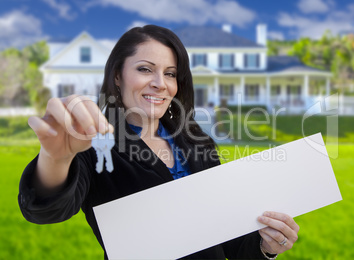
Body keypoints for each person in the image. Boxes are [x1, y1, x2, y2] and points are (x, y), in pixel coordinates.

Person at [18, 25, 299, 259]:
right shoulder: (93, 144)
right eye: (144, 69)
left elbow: (228, 241)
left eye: (170, 73)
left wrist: (267, 246)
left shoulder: (196, 140)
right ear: (117, 76)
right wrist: (56, 157)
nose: (160, 83)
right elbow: (46, 210)